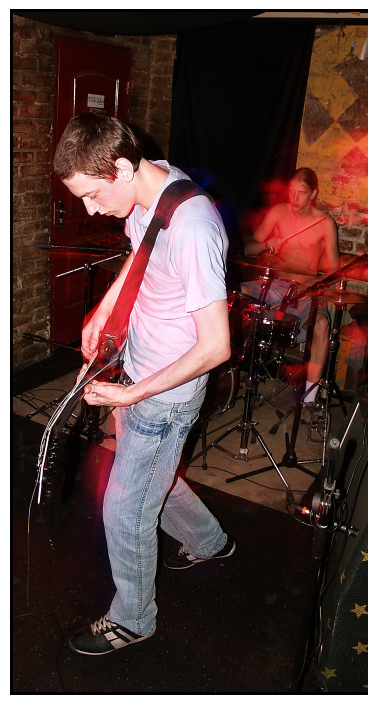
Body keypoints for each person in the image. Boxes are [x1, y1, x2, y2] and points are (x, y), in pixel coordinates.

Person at [53, 112, 235, 655]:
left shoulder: (193, 226)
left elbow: (216, 347)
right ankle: (210, 542)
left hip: (165, 393)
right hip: (138, 367)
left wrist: (132, 393)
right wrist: (103, 311)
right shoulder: (151, 184)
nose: (90, 209)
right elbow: (142, 253)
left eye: (92, 194)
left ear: (123, 169)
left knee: (125, 508)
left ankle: (134, 619)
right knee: (154, 473)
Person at [242, 167, 339, 406]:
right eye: (291, 191)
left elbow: (334, 271)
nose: (294, 198)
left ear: (313, 193)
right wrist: (265, 244)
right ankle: (238, 371)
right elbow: (249, 248)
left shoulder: (325, 223)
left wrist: (314, 283)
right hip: (276, 285)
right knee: (238, 294)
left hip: (307, 290)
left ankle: (309, 399)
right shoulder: (278, 212)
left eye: (301, 193)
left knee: (322, 324)